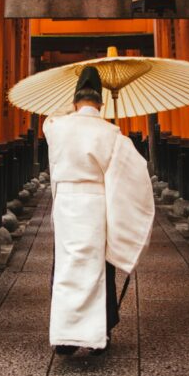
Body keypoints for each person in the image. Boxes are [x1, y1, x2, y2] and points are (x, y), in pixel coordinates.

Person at [43, 66, 155, 356]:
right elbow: (133, 174)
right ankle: (99, 334)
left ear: (74, 100)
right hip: (96, 204)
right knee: (99, 267)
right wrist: (115, 135)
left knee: (66, 268)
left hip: (66, 206)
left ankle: (65, 338)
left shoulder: (54, 127)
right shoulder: (111, 133)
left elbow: (52, 118)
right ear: (101, 103)